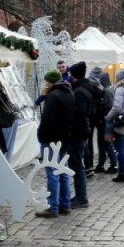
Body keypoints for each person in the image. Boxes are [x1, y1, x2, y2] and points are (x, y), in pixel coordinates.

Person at [35, 69, 74, 218]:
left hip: (51, 138)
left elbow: (47, 120)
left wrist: (41, 136)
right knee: (63, 171)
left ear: (50, 82)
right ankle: (65, 204)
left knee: (52, 172)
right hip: (64, 137)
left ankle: (53, 206)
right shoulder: (69, 93)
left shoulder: (53, 96)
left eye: (46, 81)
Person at [67, 62, 91, 209]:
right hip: (81, 131)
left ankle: (81, 197)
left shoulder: (80, 92)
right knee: (77, 165)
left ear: (74, 75)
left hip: (77, 132)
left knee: (77, 165)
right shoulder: (83, 89)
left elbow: (79, 113)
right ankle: (80, 196)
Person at [92, 68, 118, 174]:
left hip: (107, 120)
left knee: (106, 142)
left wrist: (103, 117)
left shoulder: (106, 91)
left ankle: (113, 163)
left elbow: (108, 106)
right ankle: (103, 163)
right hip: (107, 120)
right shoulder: (109, 89)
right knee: (104, 142)